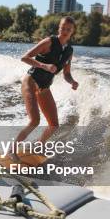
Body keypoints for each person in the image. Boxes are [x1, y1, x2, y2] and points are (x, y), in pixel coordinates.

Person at [14, 16, 79, 148]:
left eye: (68, 29)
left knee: (54, 124)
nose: (65, 31)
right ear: (59, 28)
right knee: (35, 121)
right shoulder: (49, 42)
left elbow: (66, 73)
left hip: (45, 87)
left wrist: (72, 82)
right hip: (31, 81)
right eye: (63, 28)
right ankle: (11, 149)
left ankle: (39, 145)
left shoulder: (69, 51)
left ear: (72, 31)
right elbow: (25, 58)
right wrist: (44, 66)